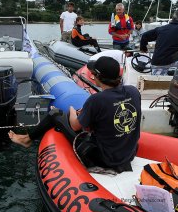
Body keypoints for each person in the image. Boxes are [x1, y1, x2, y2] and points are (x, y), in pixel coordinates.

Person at [9, 56, 141, 172]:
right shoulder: (133, 91)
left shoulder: (97, 100)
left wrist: (72, 110)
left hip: (105, 159)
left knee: (55, 113)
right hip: (129, 154)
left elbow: (75, 126)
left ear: (97, 76)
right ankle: (27, 138)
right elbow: (111, 112)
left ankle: (26, 139)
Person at [140, 8, 178, 75]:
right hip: (171, 62)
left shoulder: (161, 28)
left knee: (156, 82)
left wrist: (143, 48)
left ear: (173, 18)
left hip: (156, 62)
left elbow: (144, 36)